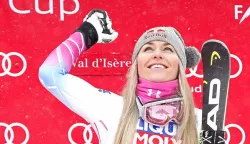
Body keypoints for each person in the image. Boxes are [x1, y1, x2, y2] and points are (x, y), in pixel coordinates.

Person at [38, 9, 201, 144]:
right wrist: (89, 32)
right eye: (148, 49)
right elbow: (50, 73)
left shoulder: (202, 121)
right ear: (136, 64)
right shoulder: (110, 107)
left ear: (181, 63)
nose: (157, 54)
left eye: (168, 49)